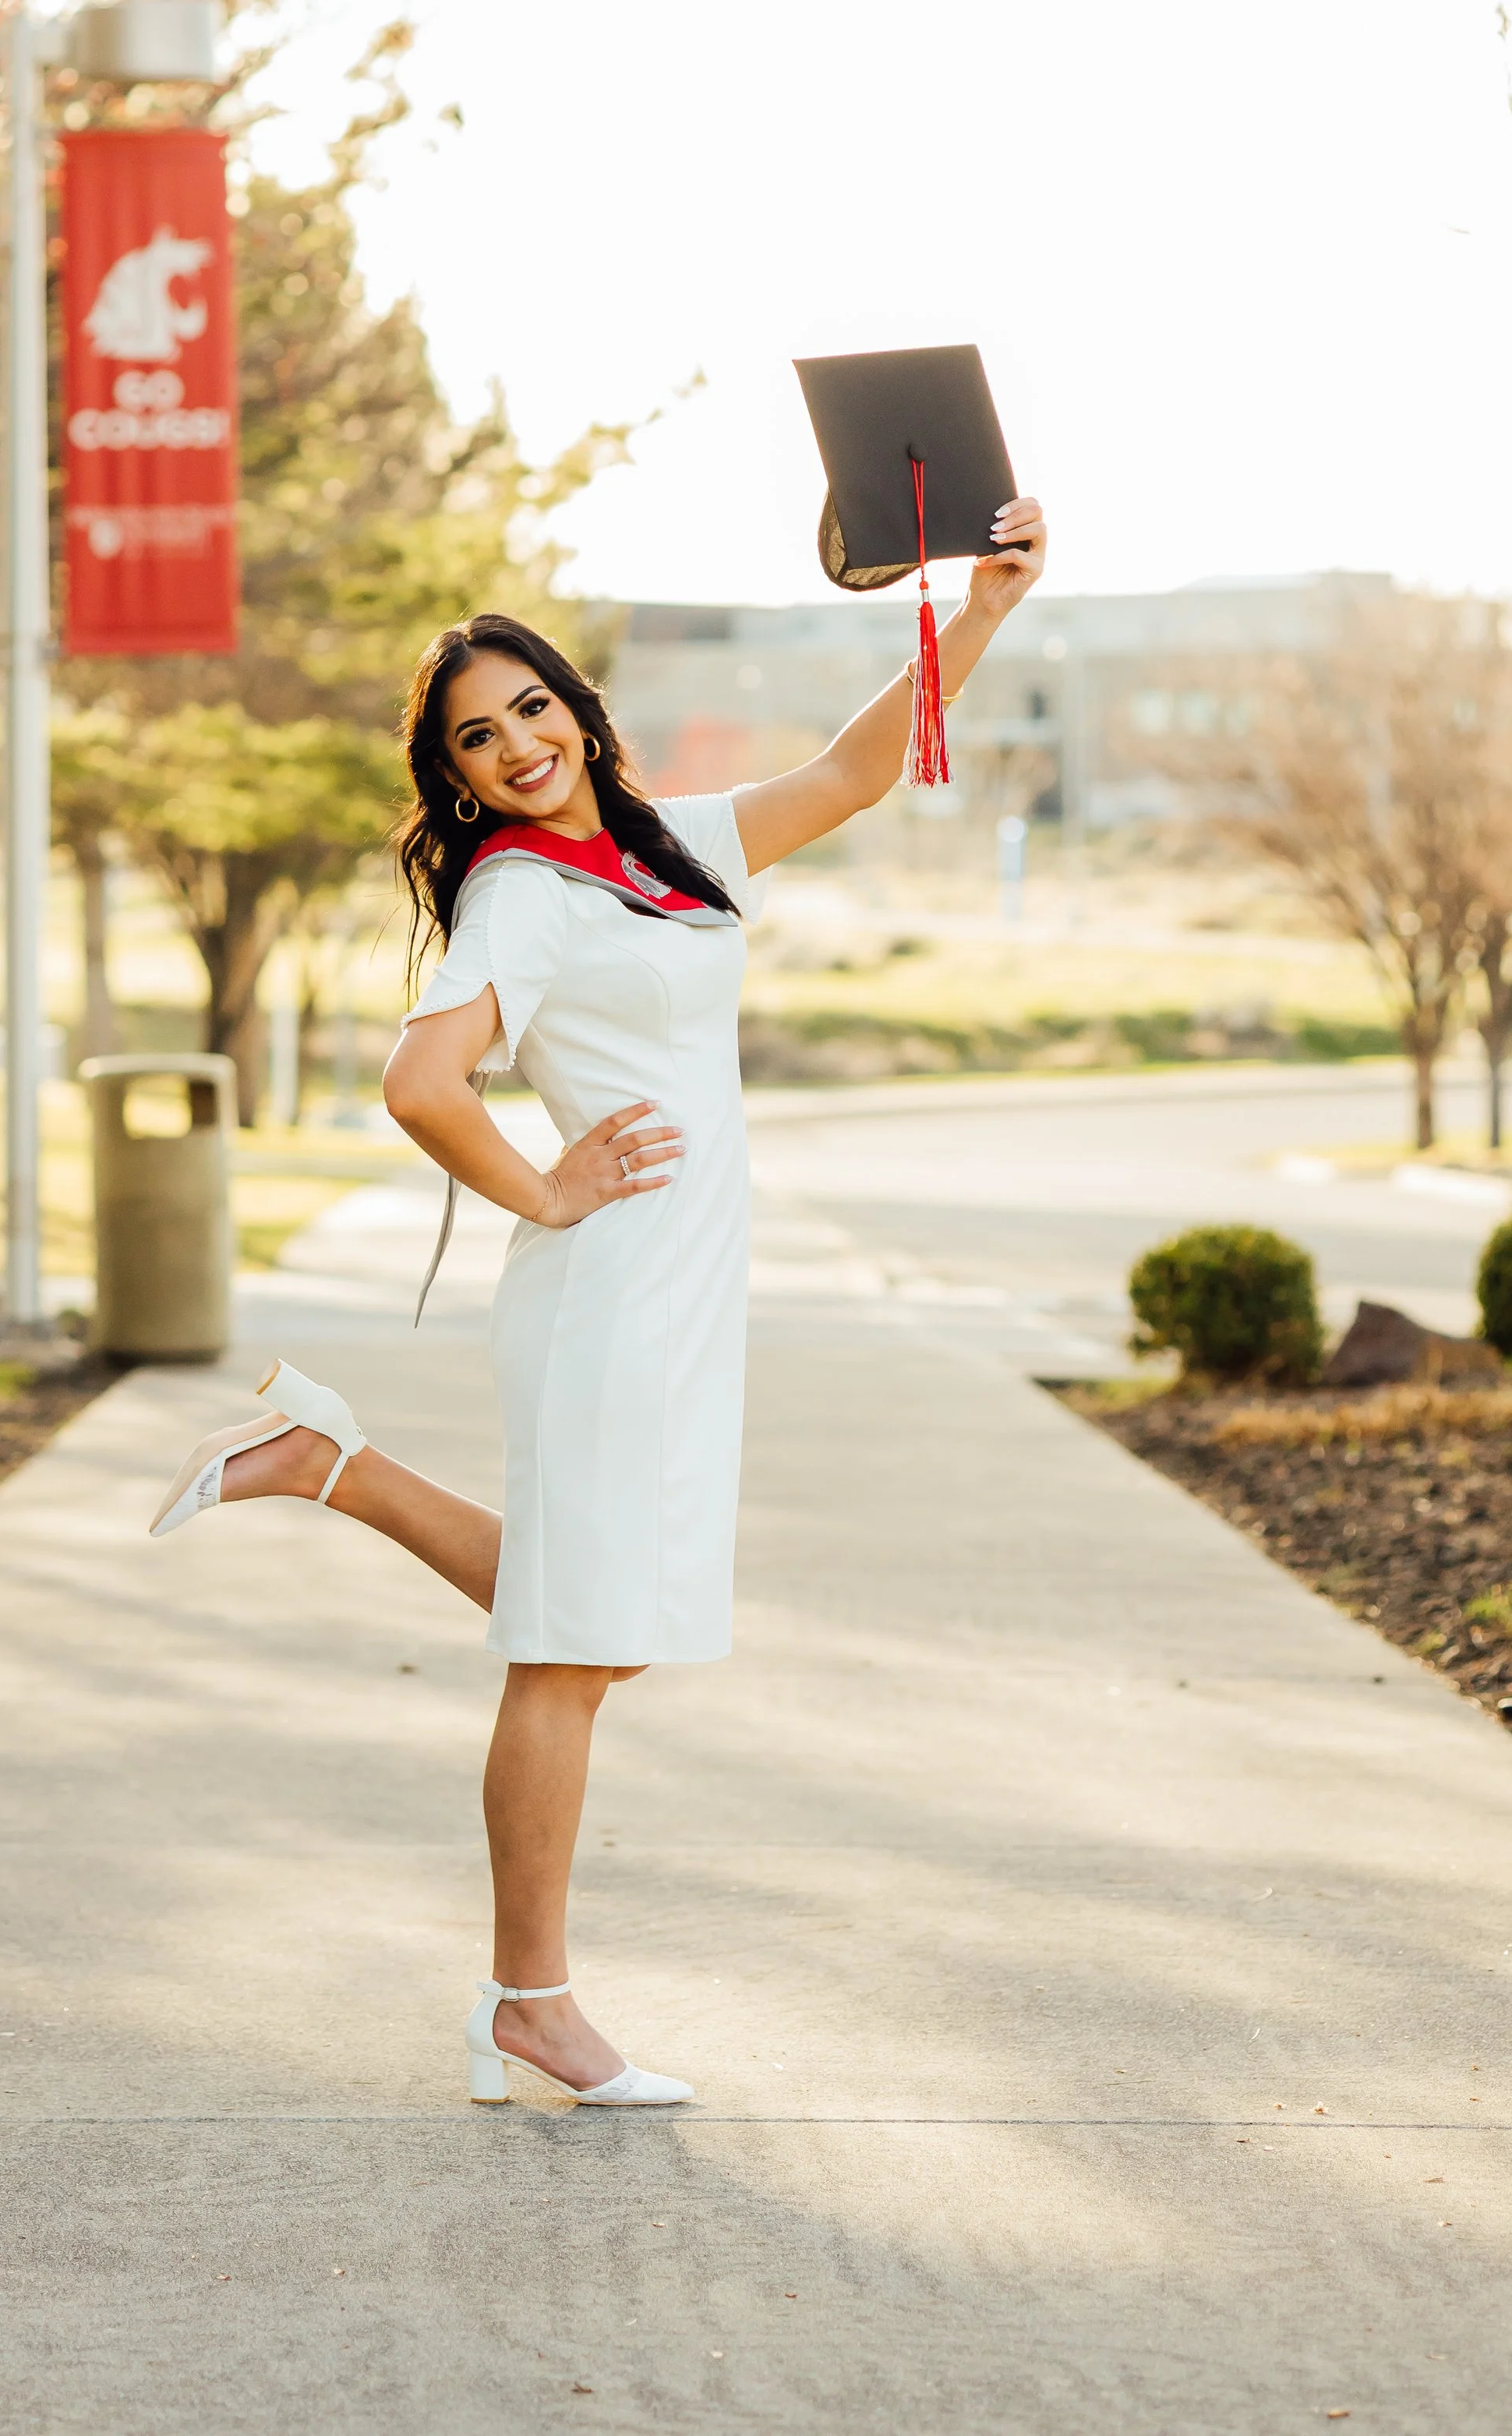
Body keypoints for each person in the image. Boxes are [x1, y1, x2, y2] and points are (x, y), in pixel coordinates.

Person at [151, 497, 1049, 2103]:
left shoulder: (665, 844)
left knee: (592, 1619)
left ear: (575, 707)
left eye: (530, 709)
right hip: (610, 1287)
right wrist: (547, 1187)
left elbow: (850, 771)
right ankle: (531, 2002)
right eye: (476, 739)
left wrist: (974, 608)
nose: (514, 746)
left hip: (683, 1279)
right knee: (568, 1650)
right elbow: (422, 1081)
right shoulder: (516, 895)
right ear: (454, 778)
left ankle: (328, 1464)